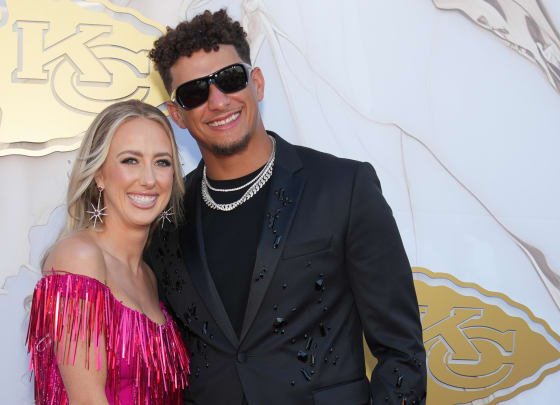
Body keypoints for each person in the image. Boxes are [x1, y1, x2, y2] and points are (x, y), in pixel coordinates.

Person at [146, 10, 427, 405]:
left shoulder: (344, 187)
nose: (217, 100)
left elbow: (402, 353)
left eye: (230, 79)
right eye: (195, 92)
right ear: (177, 114)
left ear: (256, 83)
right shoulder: (167, 219)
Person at [26, 100, 190, 405]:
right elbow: (86, 400)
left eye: (162, 162)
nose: (149, 179)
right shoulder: (80, 258)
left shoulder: (149, 276)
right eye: (130, 160)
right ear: (99, 175)